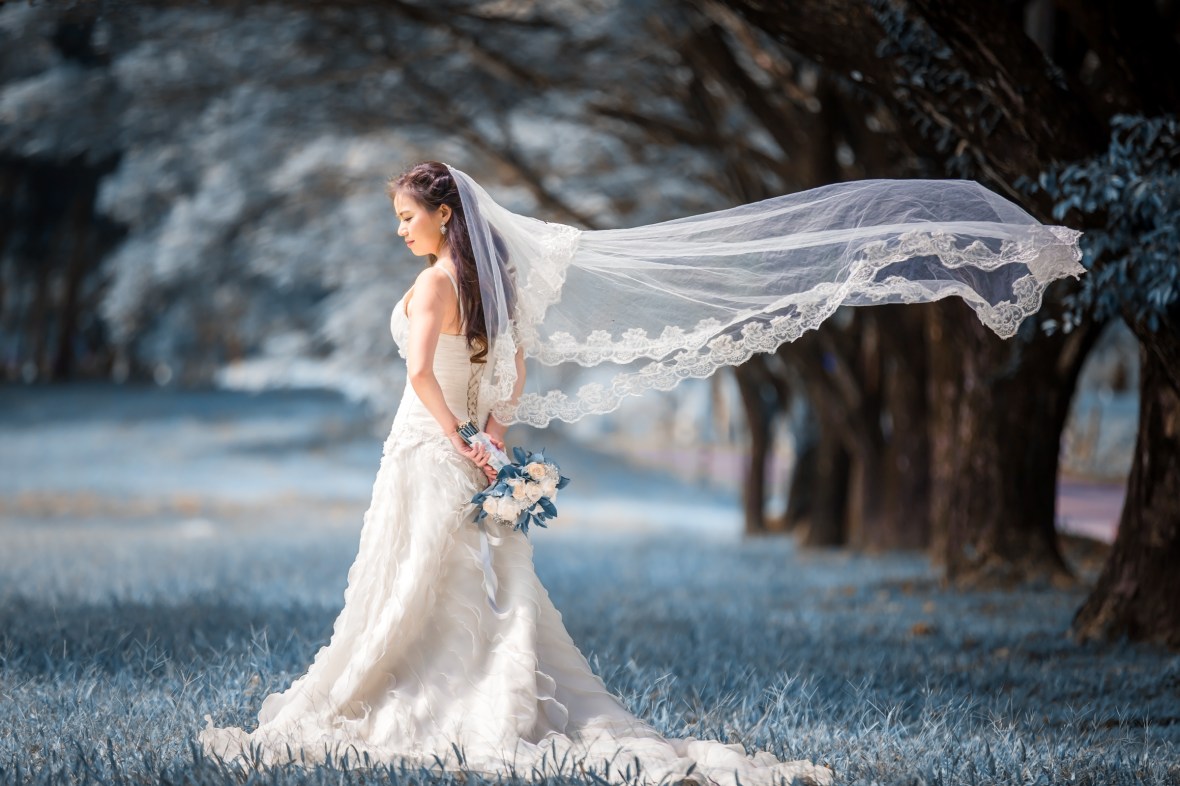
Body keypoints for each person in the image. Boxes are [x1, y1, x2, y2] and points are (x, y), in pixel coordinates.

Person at [200, 161, 1084, 785]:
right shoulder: (494, 287)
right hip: (465, 452)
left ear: (443, 217)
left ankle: (424, 701)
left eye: (406, 216)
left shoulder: (438, 285)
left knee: (422, 584)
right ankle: (480, 694)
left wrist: (466, 444)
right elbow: (503, 386)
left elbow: (424, 378)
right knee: (468, 586)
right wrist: (492, 444)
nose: (400, 229)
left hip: (429, 450)